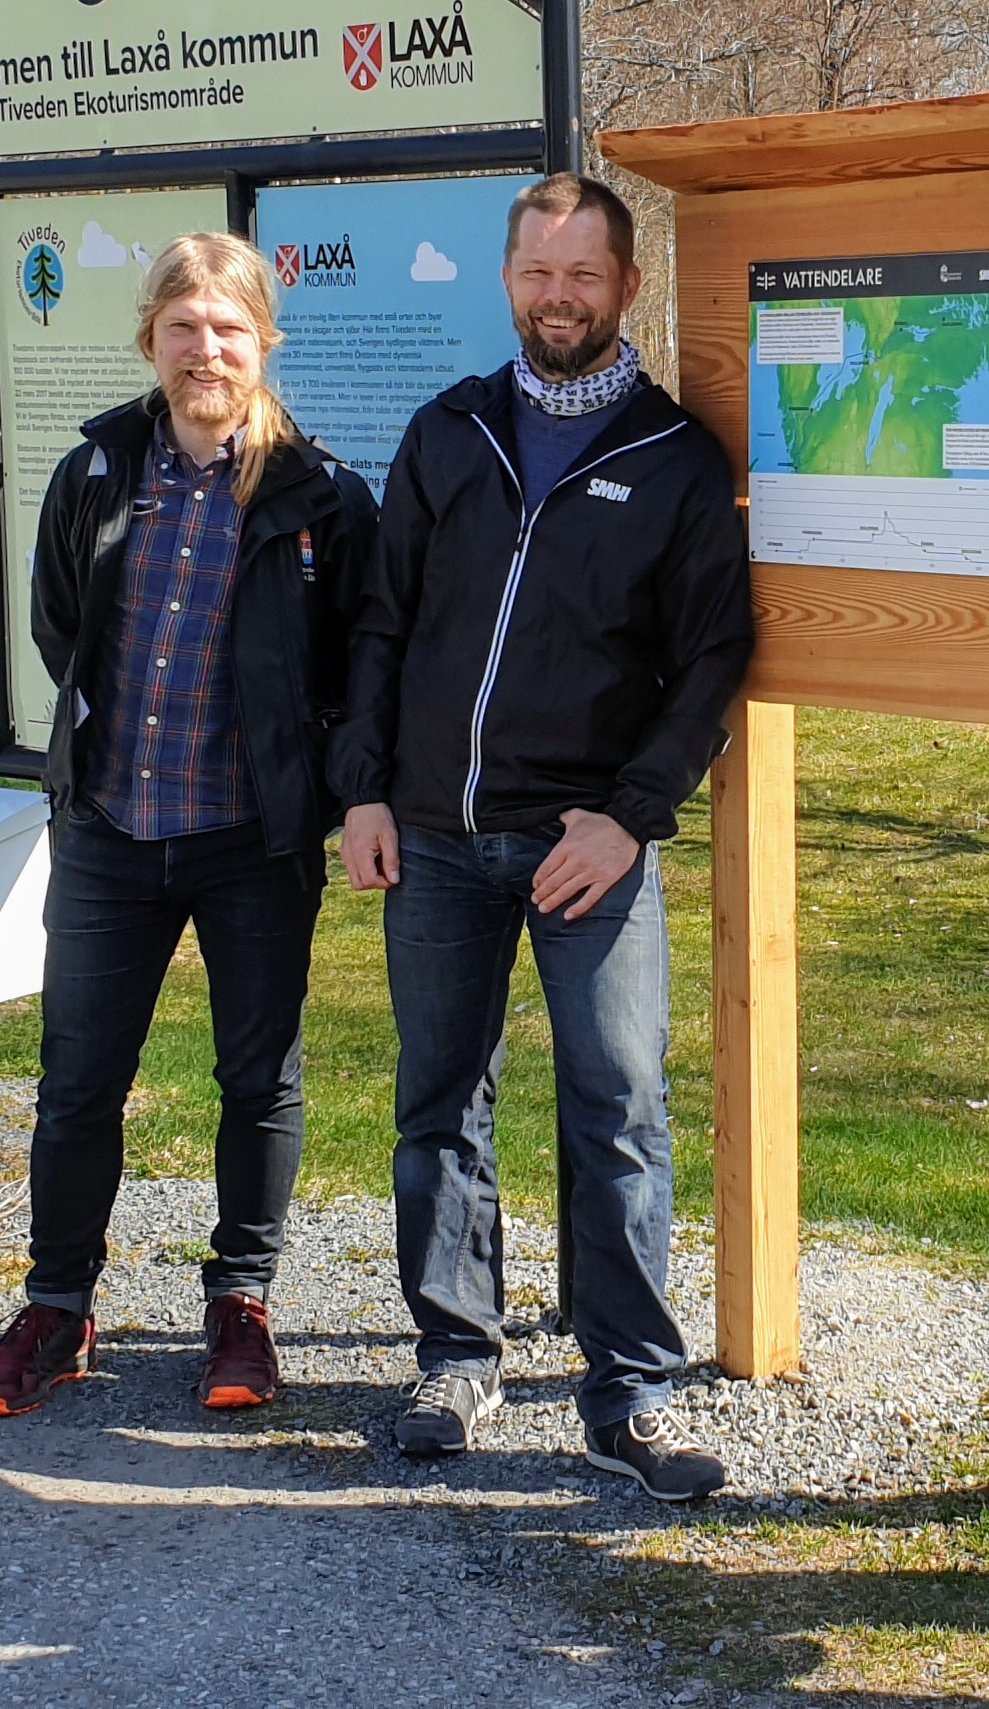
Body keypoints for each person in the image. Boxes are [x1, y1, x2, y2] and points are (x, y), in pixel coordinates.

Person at [329, 173, 756, 1501]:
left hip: (590, 850)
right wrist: (364, 790)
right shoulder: (448, 432)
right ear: (505, 277)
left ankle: (627, 1391)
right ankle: (457, 1357)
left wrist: (632, 820)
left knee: (618, 1108)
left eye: (584, 273)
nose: (557, 295)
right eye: (536, 270)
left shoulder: (678, 460)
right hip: (439, 844)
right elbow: (381, 627)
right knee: (437, 1100)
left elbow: (710, 664)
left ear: (629, 286)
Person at [0, 233, 378, 1421]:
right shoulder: (97, 472)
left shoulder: (323, 498)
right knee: (78, 1082)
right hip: (111, 831)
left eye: (229, 328)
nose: (207, 349)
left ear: (264, 344)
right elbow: (61, 626)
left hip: (255, 841)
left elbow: (358, 662)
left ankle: (241, 1305)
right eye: (184, 327)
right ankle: (57, 1309)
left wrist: (324, 783)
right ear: (151, 337)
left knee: (258, 1080)